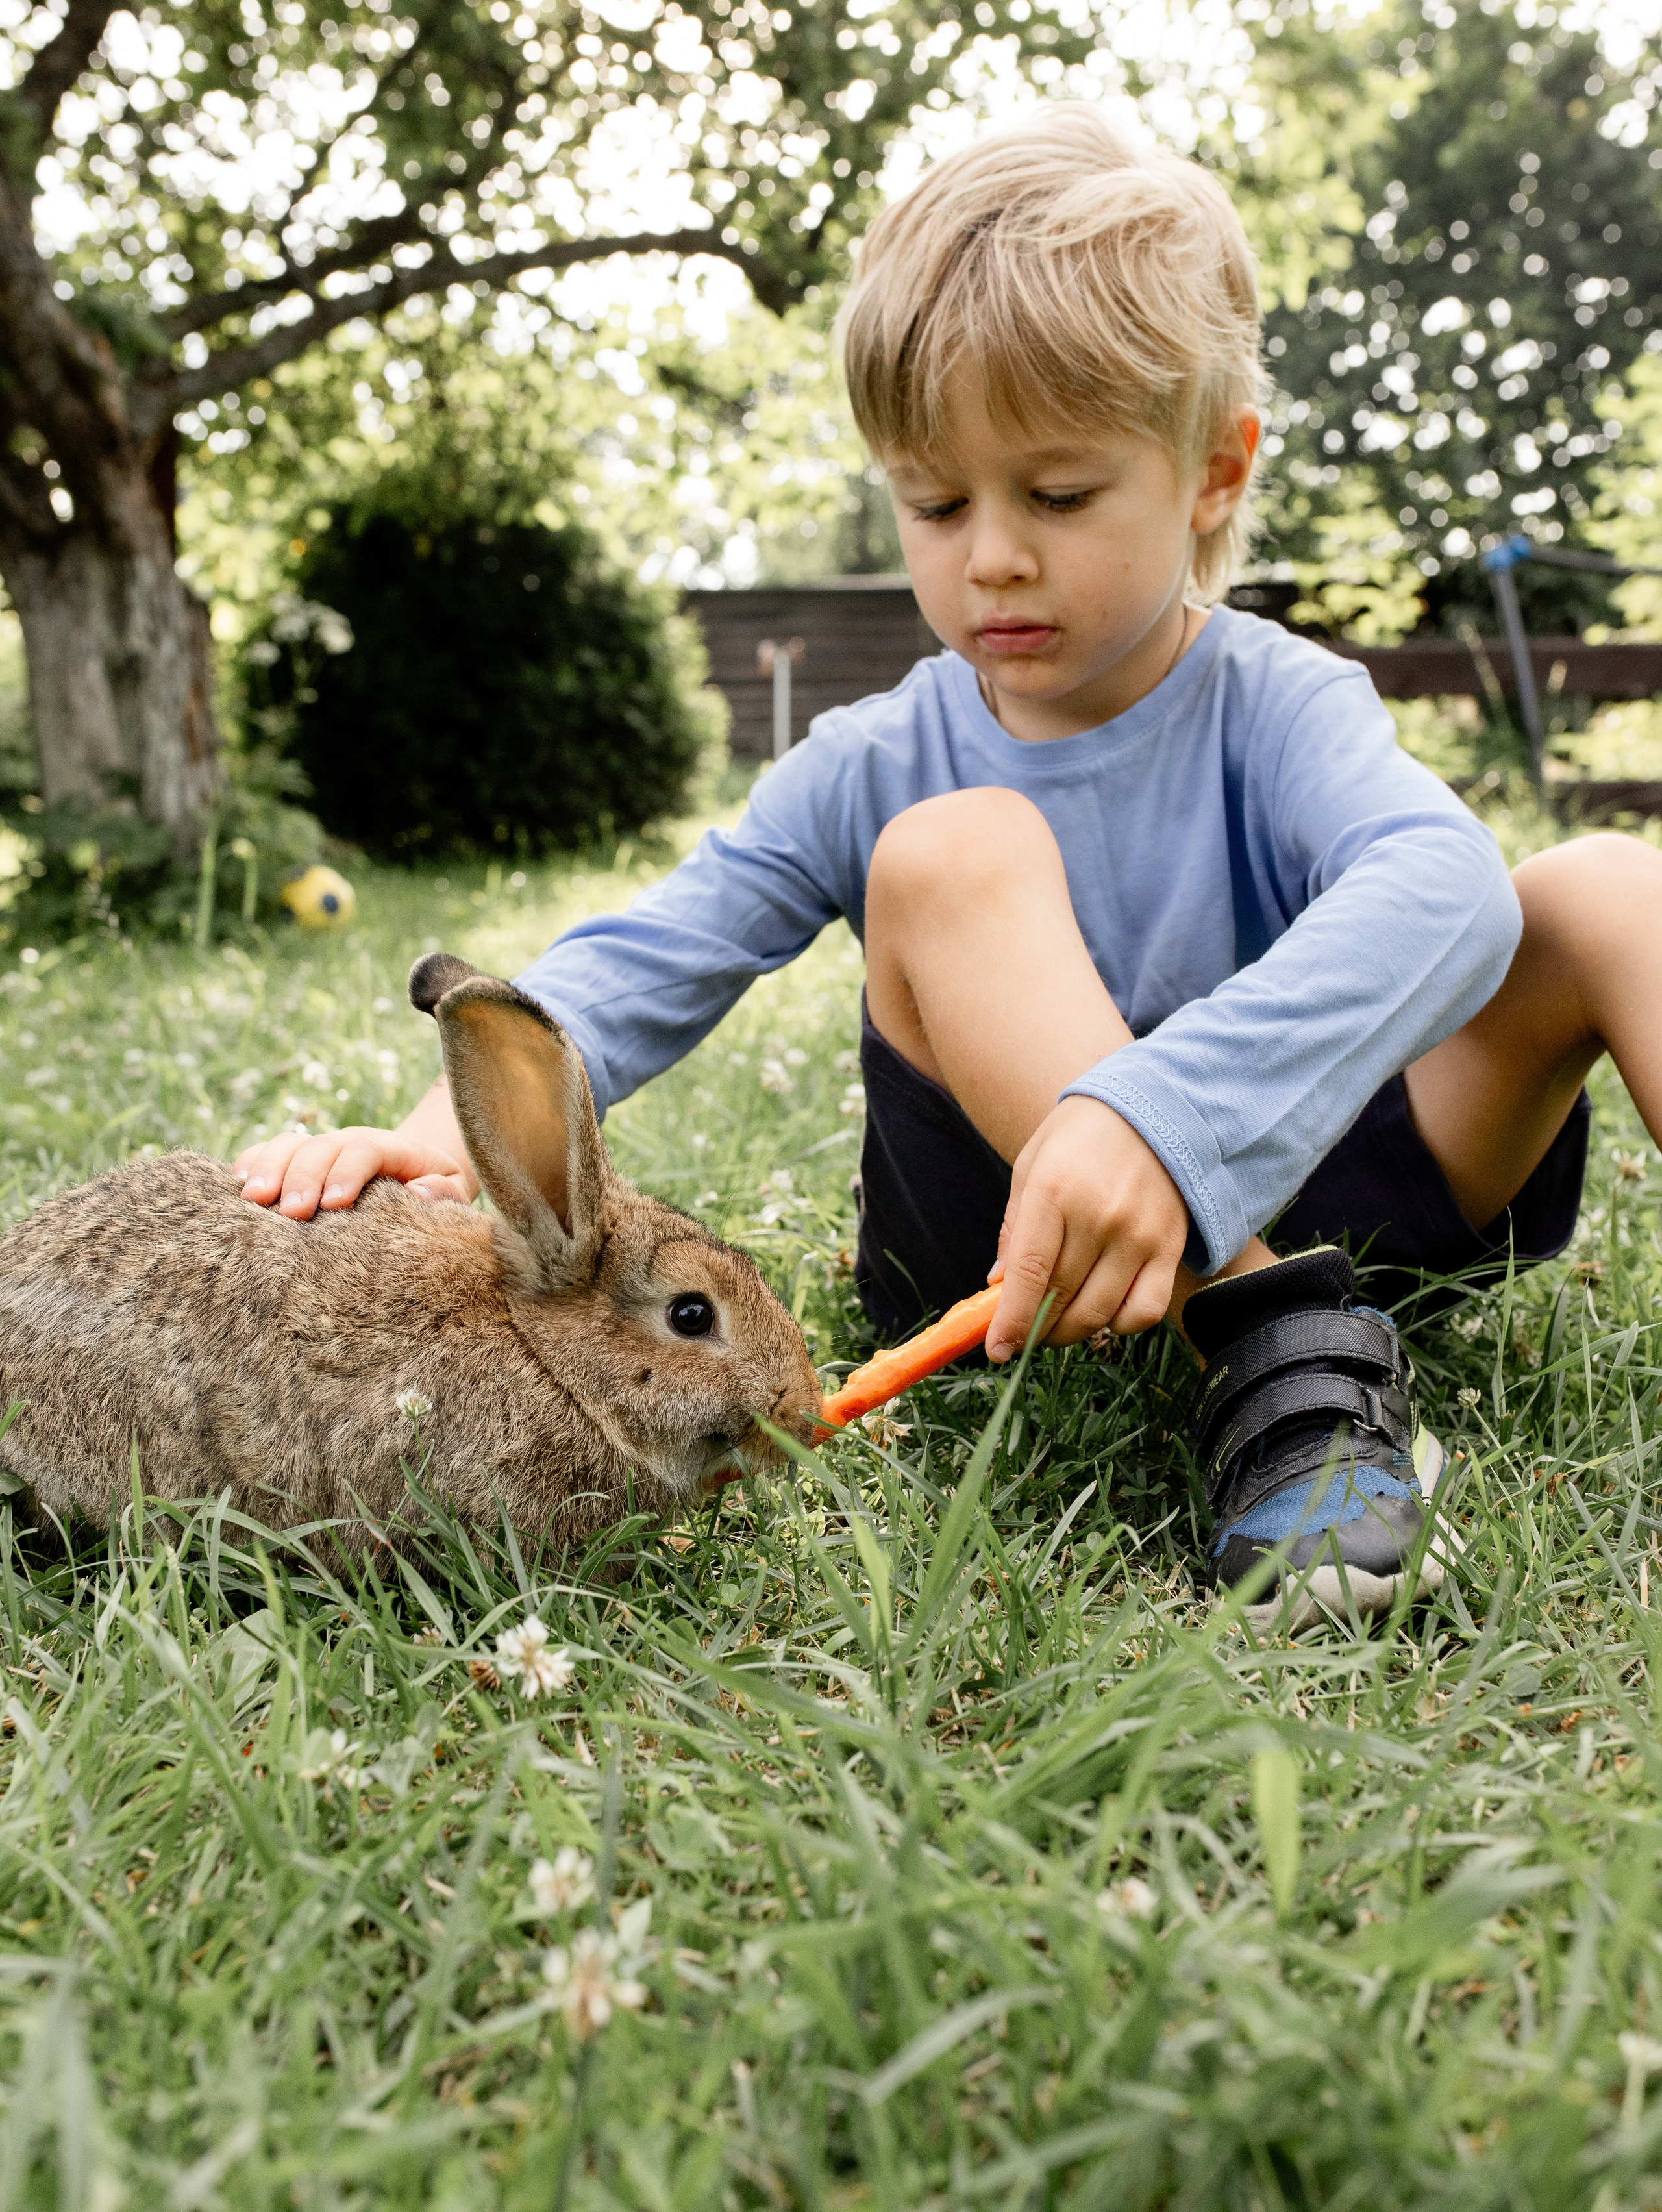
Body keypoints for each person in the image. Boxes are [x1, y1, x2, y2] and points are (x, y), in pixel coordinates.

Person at [235, 108, 1662, 1626]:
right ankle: (1283, 1379)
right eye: (932, 502)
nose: (989, 555)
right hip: (1003, 1247)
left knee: (1604, 890)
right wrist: (431, 1148)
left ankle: (1281, 1307)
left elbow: (1441, 889)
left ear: (1211, 473)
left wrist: (1163, 1119)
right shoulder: (877, 758)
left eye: (1054, 496)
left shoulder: (1277, 700)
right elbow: (658, 953)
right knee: (949, 852)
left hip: (1314, 1180)